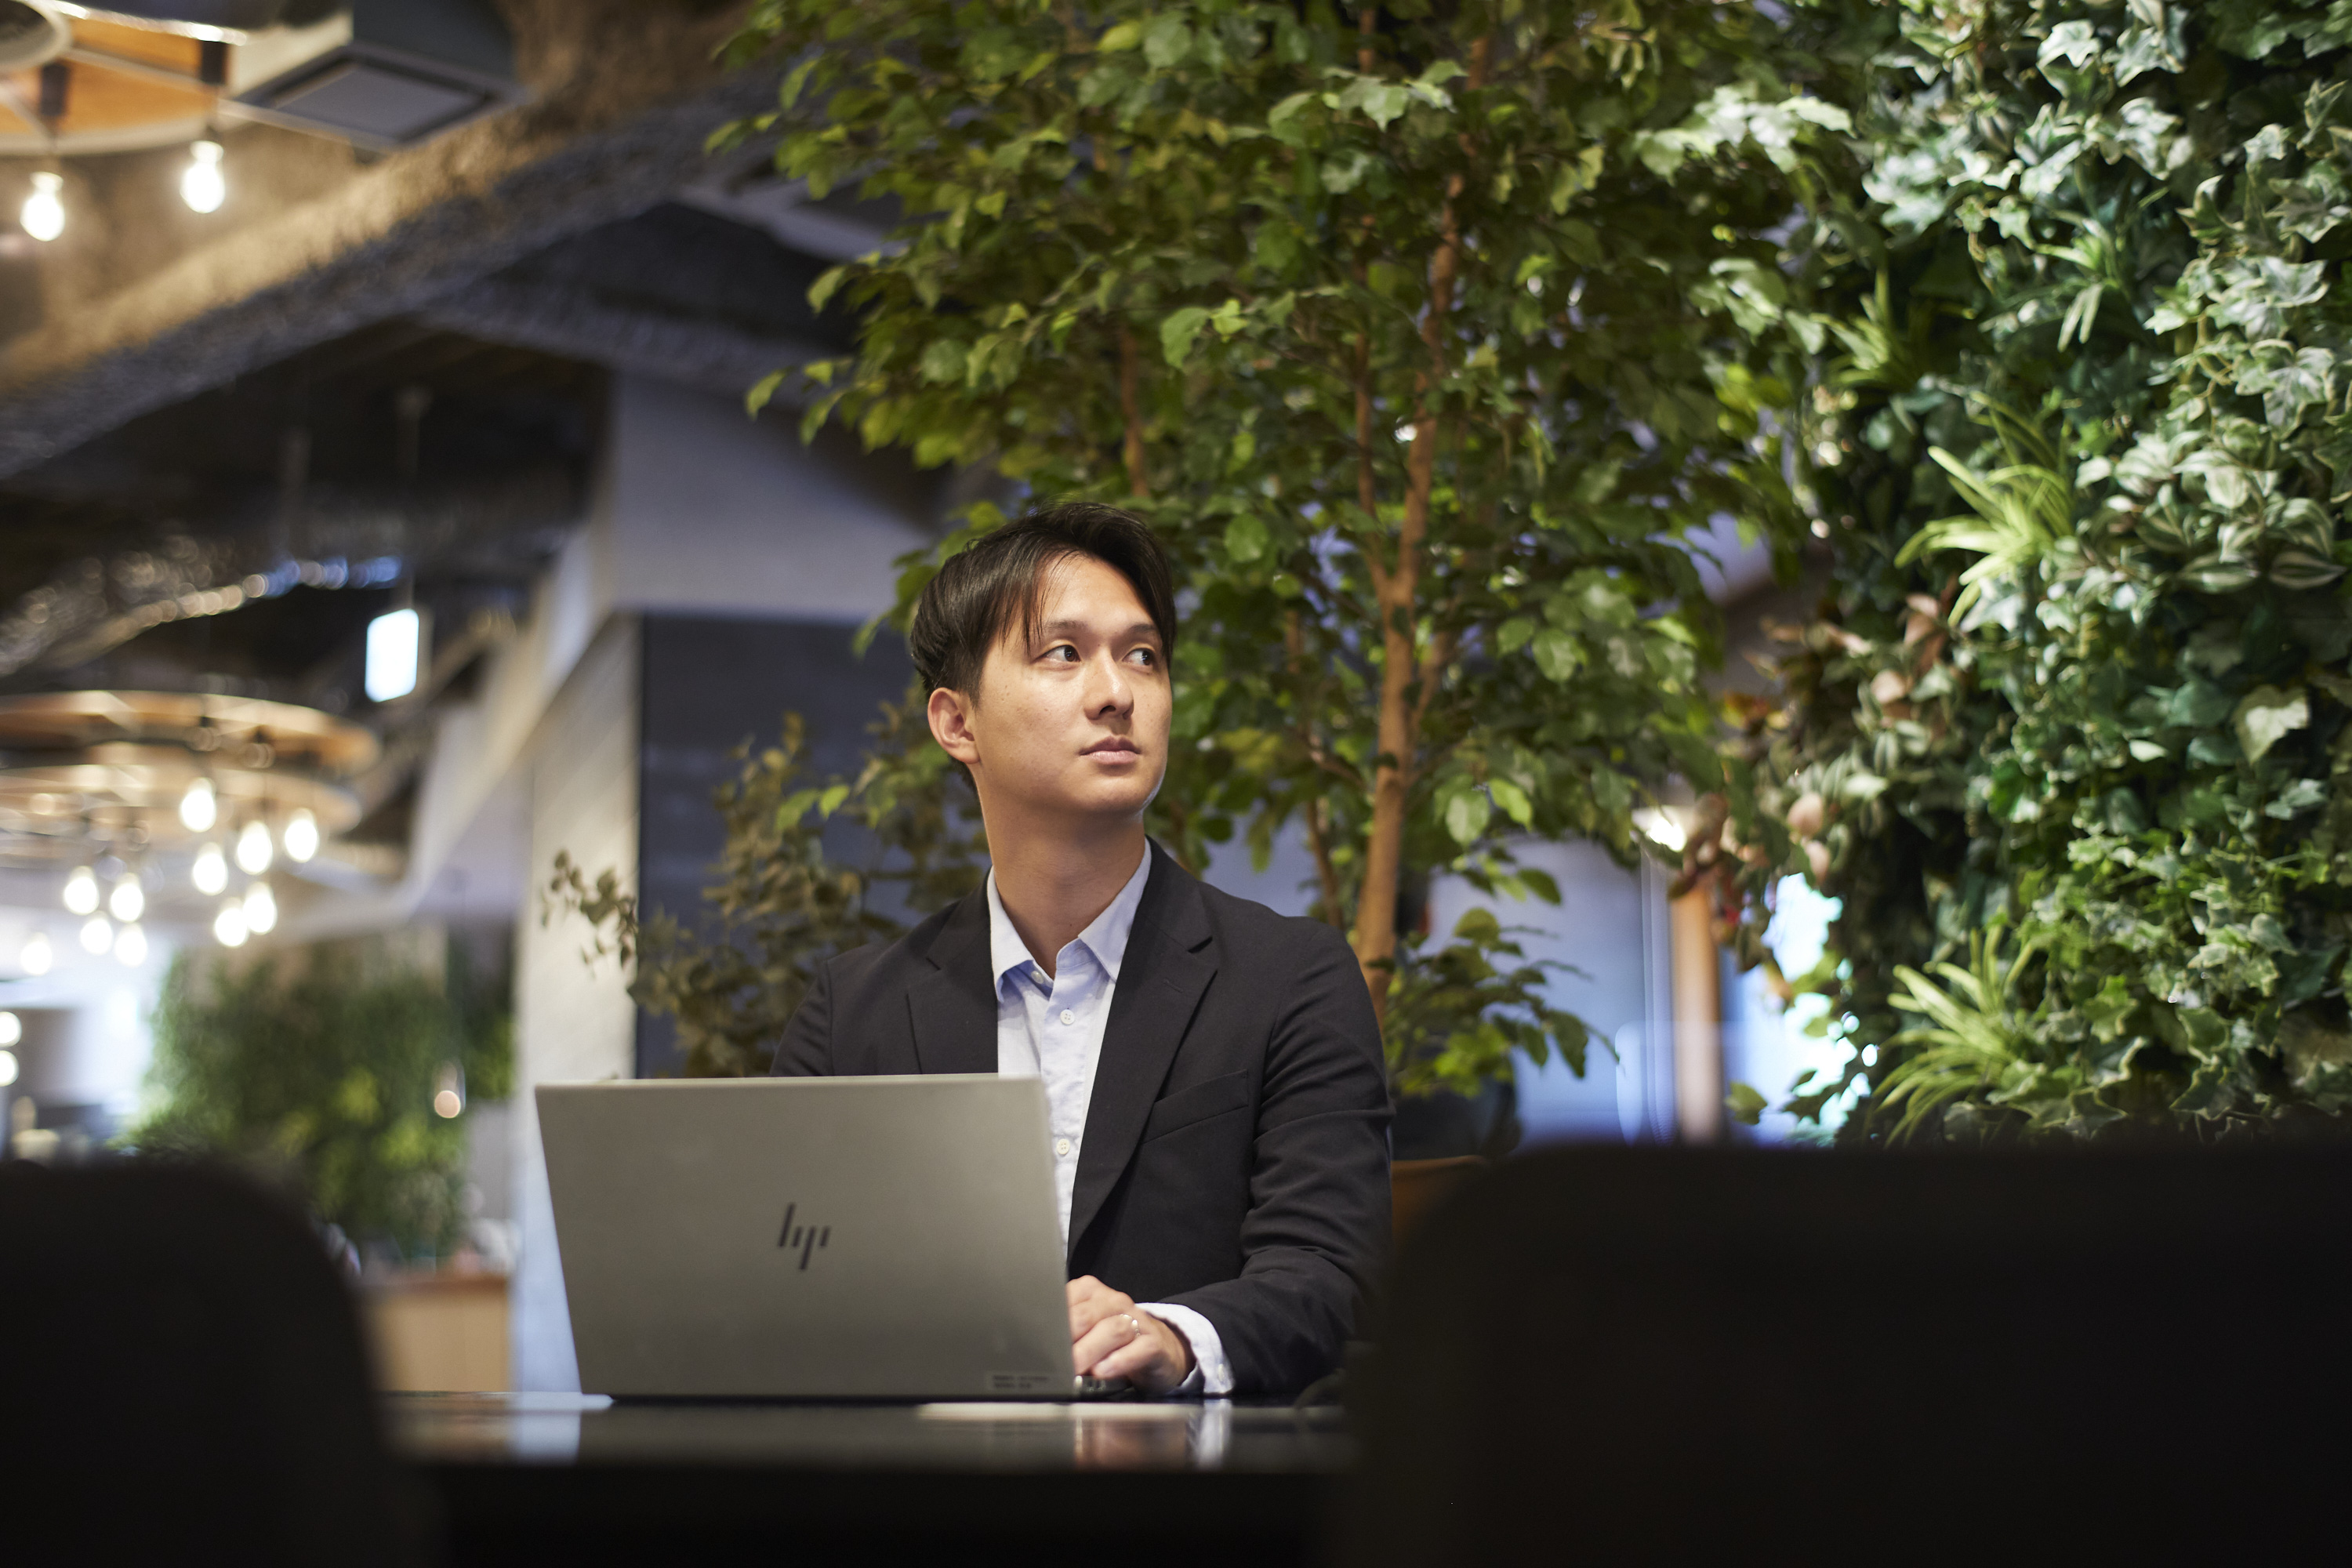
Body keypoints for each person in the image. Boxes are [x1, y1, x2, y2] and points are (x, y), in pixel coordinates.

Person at [772, 502, 1392, 1396]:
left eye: (1143, 656)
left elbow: (1331, 1273)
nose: (1117, 692)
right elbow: (785, 1293)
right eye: (1063, 653)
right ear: (956, 723)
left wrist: (1173, 1335)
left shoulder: (1290, 978)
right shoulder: (853, 1012)